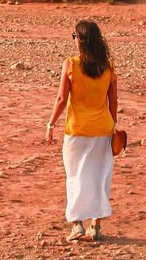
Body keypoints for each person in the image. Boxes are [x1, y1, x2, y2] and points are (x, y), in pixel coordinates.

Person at [45, 20, 118, 243]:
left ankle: (77, 225)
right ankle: (95, 225)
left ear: (80, 40)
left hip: (77, 130)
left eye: (74, 36)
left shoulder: (71, 64)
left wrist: (50, 124)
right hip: (103, 129)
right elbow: (113, 101)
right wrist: (113, 127)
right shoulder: (108, 66)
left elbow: (61, 98)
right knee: (99, 177)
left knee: (75, 176)